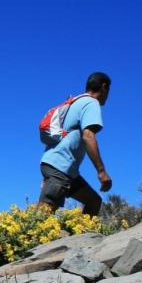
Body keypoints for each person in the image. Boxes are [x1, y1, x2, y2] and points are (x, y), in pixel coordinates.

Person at [37, 72, 112, 216]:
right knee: (43, 215)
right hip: (59, 168)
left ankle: (84, 237)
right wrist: (101, 171)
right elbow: (88, 135)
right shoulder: (91, 103)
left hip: (62, 169)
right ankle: (28, 236)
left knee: (93, 201)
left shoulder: (75, 102)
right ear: (104, 87)